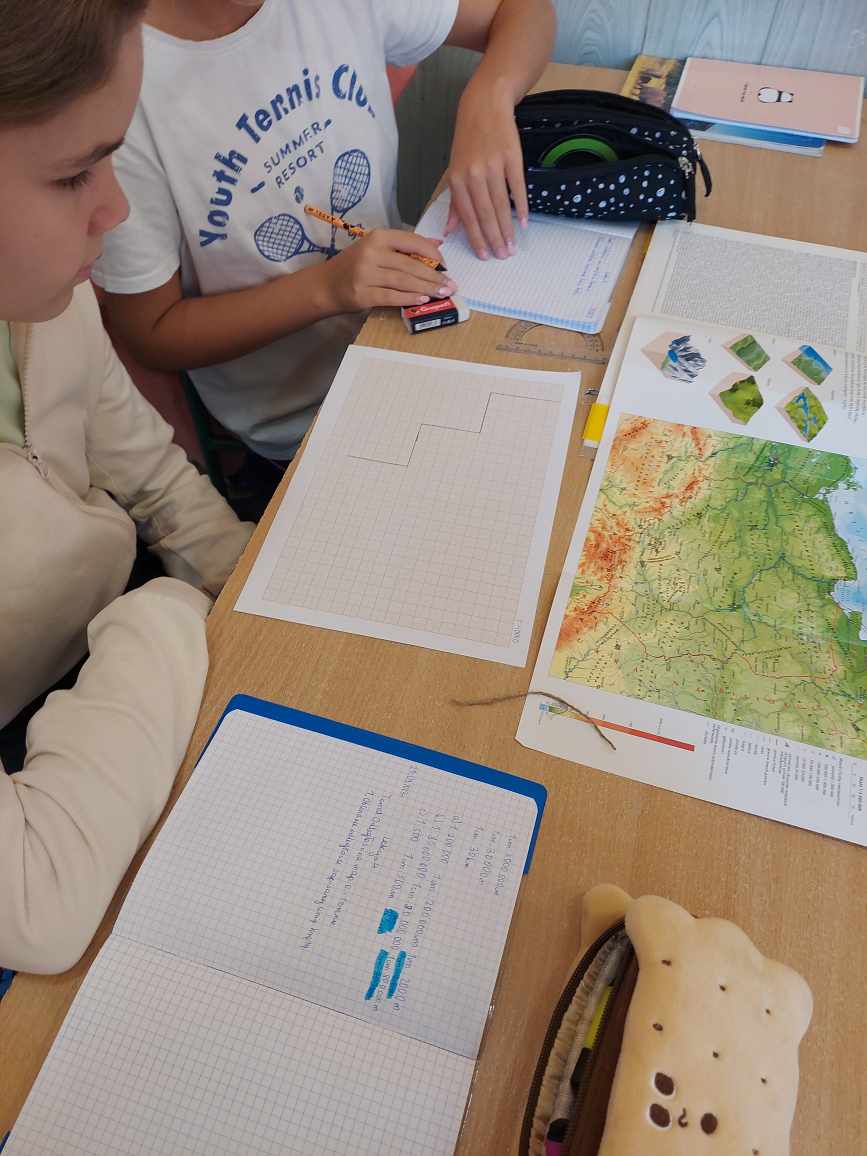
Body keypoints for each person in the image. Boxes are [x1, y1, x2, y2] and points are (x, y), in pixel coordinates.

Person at [0, 0, 253, 975]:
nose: (116, 211)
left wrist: (255, 604)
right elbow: (39, 908)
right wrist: (174, 612)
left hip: (111, 671)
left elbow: (149, 472)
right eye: (74, 174)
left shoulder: (40, 298)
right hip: (72, 712)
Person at [95, 0, 556, 469]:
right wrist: (327, 289)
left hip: (415, 330)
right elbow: (152, 333)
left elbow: (523, 11)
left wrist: (489, 99)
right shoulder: (117, 86)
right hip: (304, 418)